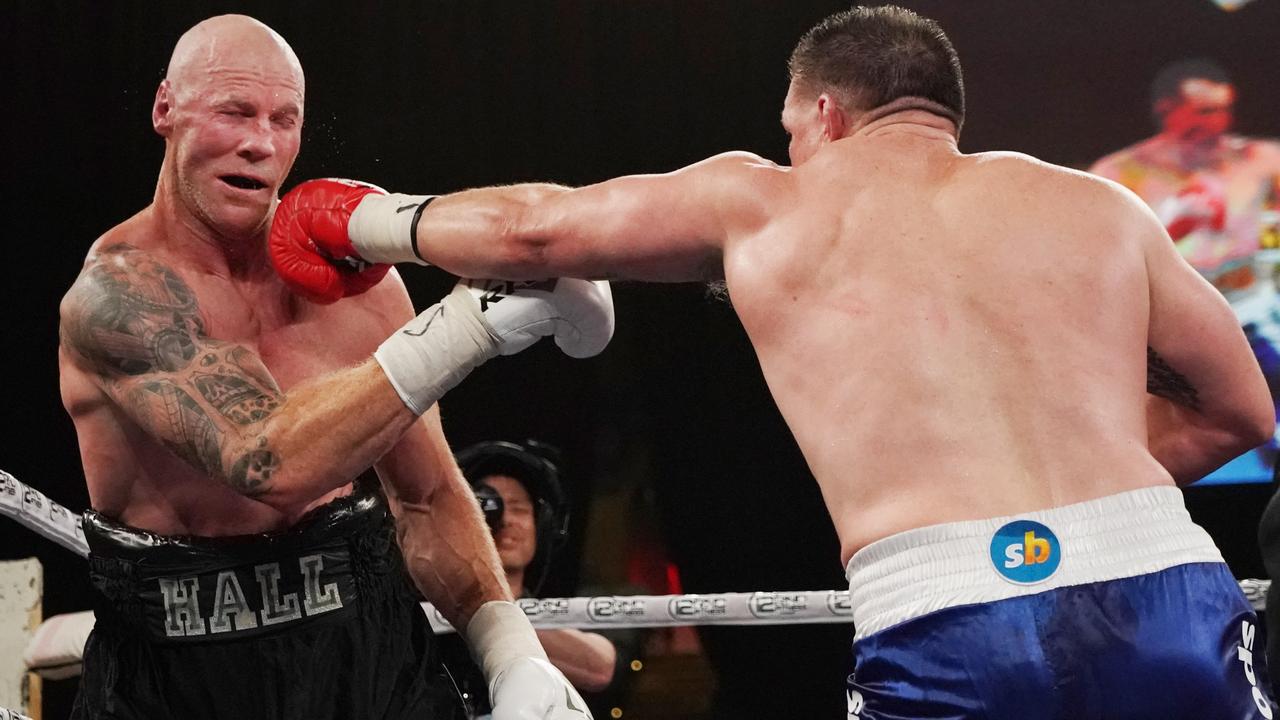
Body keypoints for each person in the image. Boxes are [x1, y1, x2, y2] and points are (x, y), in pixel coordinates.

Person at [271, 4, 1277, 717]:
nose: (789, 147)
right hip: (1155, 574)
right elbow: (1241, 413)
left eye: (790, 129)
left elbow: (535, 232)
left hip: (946, 611)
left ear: (825, 114)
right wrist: (1079, 462)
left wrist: (360, 219)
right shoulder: (1097, 205)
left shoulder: (763, 199)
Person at [56, 14, 610, 720]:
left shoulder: (361, 286)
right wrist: (470, 326)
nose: (260, 142)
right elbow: (266, 462)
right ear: (165, 107)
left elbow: (428, 496)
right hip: (178, 668)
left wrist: (511, 654)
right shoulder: (116, 296)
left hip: (368, 644)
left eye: (284, 119)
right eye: (235, 112)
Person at [1090, 59, 1280, 461]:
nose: (1218, 123)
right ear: (1167, 109)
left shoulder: (1261, 160)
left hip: (1257, 309)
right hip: (1172, 329)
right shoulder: (1119, 175)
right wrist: (1174, 225)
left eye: (1224, 110)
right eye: (1204, 111)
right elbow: (1094, 265)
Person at [439, 441, 618, 719]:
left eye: (519, 508)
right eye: (486, 504)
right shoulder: (427, 614)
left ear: (542, 526)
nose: (505, 519)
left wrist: (486, 617)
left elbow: (601, 665)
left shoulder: (555, 619)